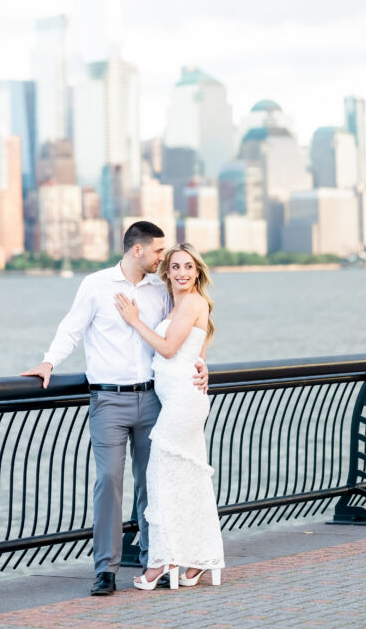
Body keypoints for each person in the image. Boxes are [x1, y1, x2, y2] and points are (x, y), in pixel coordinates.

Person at [21, 221, 208, 597]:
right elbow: (71, 329)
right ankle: (105, 569)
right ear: (137, 250)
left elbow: (186, 332)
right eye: (159, 252)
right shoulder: (95, 285)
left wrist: (202, 365)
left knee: (152, 482)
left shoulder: (162, 289)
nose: (164, 259)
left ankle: (155, 557)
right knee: (108, 481)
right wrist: (48, 362)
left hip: (154, 399)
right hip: (107, 400)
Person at [114, 242, 225, 591]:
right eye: (175, 266)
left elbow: (167, 348)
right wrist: (204, 367)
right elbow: (198, 351)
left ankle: (163, 561)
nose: (181, 273)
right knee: (184, 479)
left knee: (160, 476)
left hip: (182, 402)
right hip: (180, 398)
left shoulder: (192, 301)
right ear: (168, 272)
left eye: (188, 267)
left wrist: (134, 322)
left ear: (197, 272)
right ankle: (195, 561)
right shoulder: (178, 304)